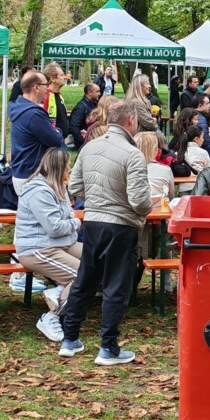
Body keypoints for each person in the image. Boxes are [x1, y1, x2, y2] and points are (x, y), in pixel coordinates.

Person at [61, 100, 152, 366]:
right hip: (121, 225)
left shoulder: (89, 147)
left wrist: (97, 199)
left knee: (85, 280)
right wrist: (146, 207)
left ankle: (70, 338)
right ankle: (108, 346)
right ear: (131, 120)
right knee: (116, 285)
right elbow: (139, 201)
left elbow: (75, 187)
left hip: (93, 222)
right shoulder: (132, 154)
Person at [16, 147, 82, 342]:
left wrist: (71, 223)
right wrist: (76, 223)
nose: (70, 169)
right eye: (68, 166)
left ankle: (59, 291)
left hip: (60, 243)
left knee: (98, 259)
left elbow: (67, 218)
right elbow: (55, 227)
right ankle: (51, 316)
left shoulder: (59, 187)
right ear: (58, 168)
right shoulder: (39, 192)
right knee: (82, 274)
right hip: (37, 249)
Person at [9, 69, 64, 192]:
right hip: (32, 176)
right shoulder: (34, 114)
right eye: (46, 84)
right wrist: (58, 131)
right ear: (36, 87)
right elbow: (56, 141)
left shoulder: (18, 107)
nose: (48, 88)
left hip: (21, 173)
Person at [135, 131, 175, 204]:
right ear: (155, 150)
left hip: (137, 209)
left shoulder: (129, 169)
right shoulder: (166, 170)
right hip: (161, 208)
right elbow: (171, 196)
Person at [69, 81, 102, 149]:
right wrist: (82, 142)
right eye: (97, 91)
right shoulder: (81, 107)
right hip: (85, 142)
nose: (99, 94)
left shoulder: (92, 103)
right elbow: (74, 127)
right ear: (89, 92)